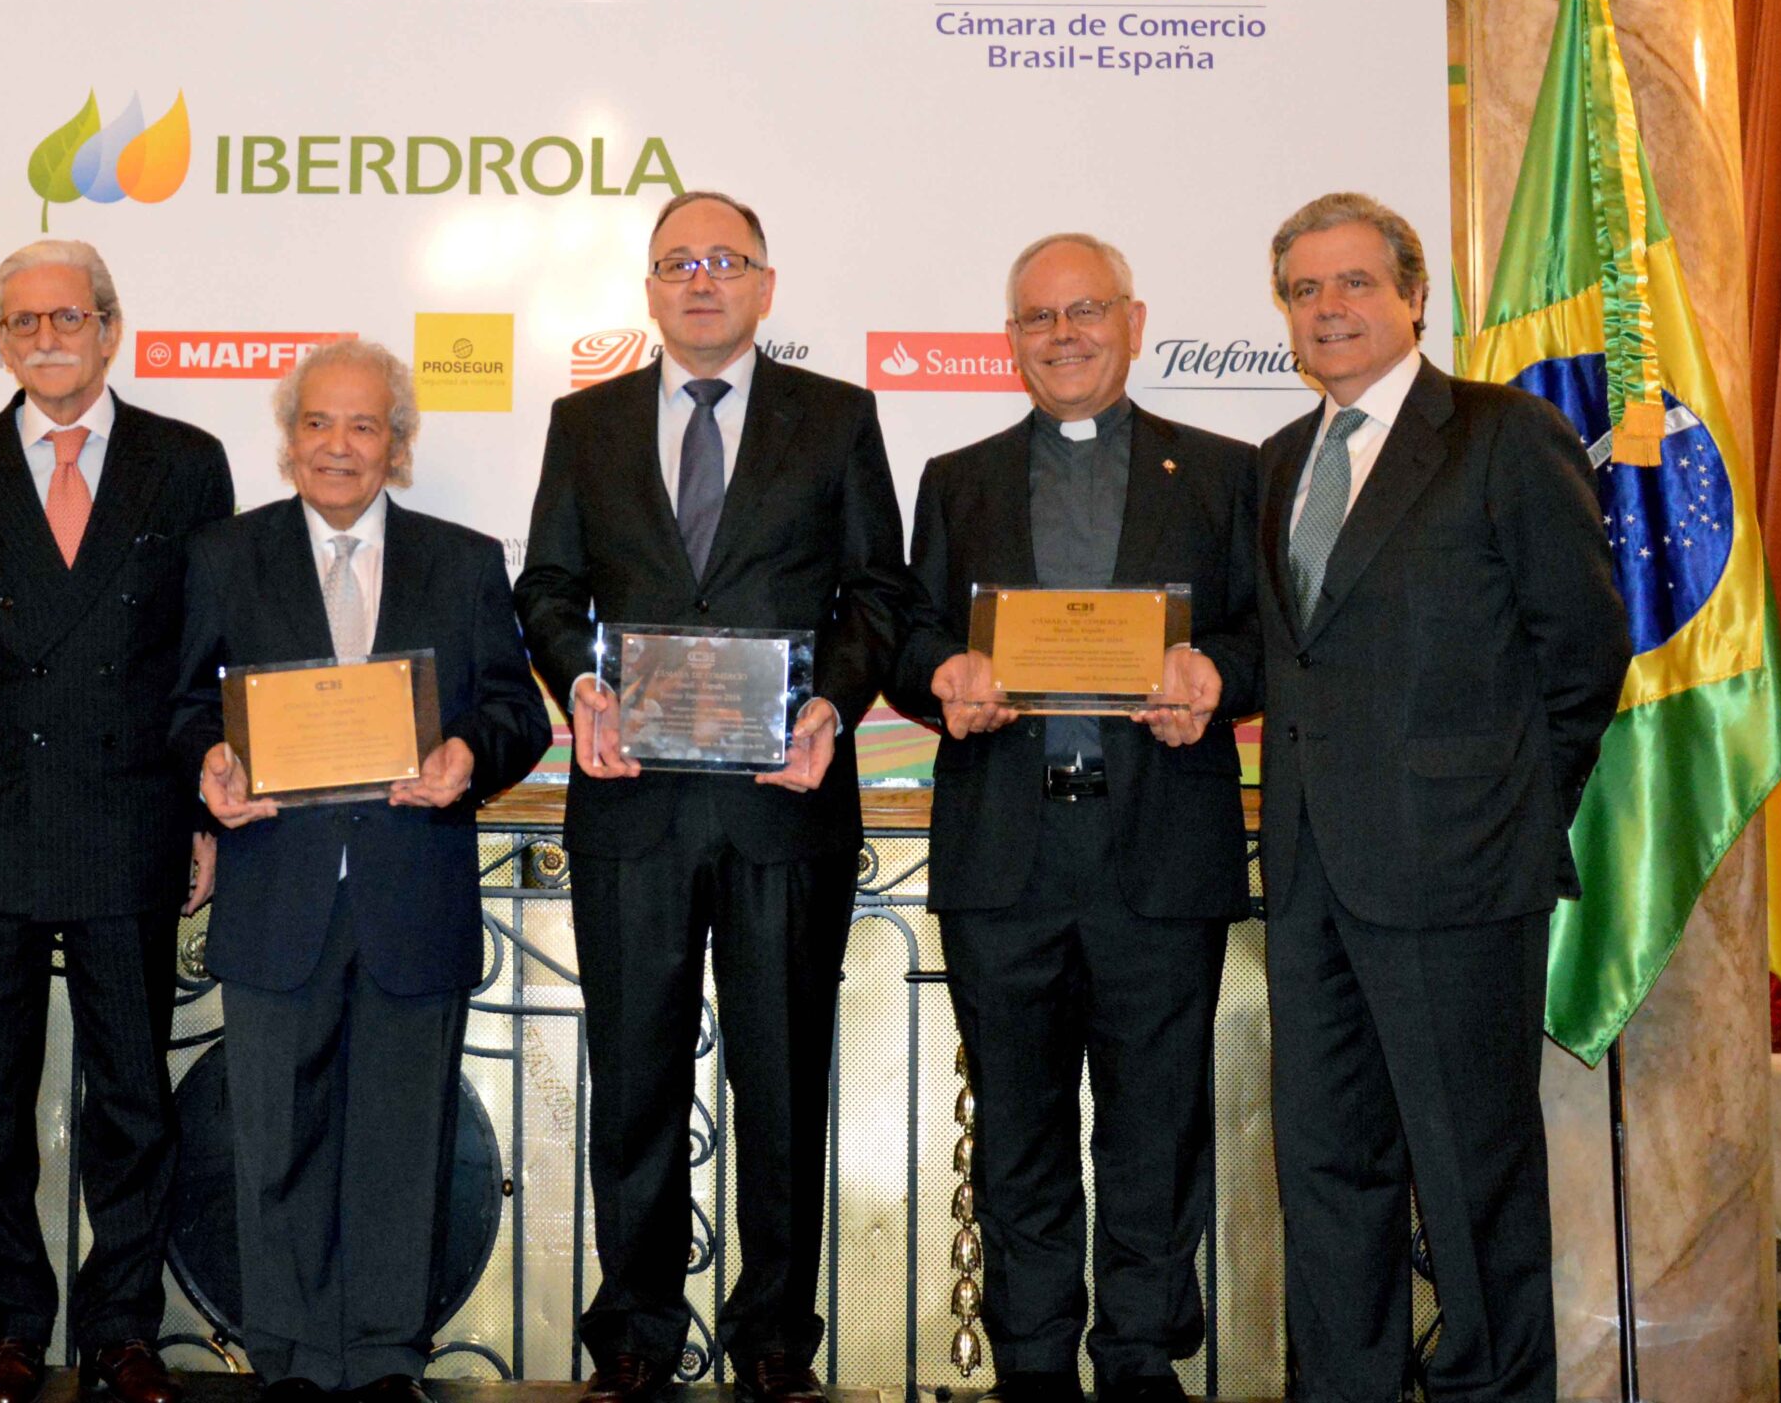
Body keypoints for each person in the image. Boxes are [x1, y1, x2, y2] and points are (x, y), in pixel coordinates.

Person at [514, 190, 913, 1403]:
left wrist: (828, 704)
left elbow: (876, 595)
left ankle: (776, 1343)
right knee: (634, 1077)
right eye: (676, 262)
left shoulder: (836, 420)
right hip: (630, 804)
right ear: (647, 290)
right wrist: (580, 684)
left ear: (764, 285)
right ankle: (634, 1333)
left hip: (782, 804)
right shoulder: (584, 426)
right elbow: (546, 585)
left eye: (724, 260)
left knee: (781, 1080)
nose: (701, 280)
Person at [1254, 193, 1629, 1402]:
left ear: (1417, 297)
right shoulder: (1276, 464)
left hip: (1460, 876)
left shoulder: (1501, 436)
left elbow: (1582, 650)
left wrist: (1500, 813)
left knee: (1471, 1174)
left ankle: (1492, 1391)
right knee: (1326, 1164)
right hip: (1310, 874)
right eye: (1307, 292)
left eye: (1356, 283)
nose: (1331, 309)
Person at [888, 232, 1257, 1403]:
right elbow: (908, 636)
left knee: (1156, 1129)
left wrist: (1215, 675)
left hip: (1158, 850)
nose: (1063, 336)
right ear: (1009, 342)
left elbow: (1269, 638)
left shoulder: (1224, 472)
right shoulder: (958, 478)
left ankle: (1140, 1357)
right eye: (1038, 319)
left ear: (1134, 321)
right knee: (1019, 1130)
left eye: (1085, 311)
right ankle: (1035, 1361)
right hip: (1007, 854)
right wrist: (943, 673)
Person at [174, 337, 551, 1403]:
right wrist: (207, 760)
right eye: (318, 424)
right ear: (289, 441)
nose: (339, 446)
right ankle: (285, 1353)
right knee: (274, 1143)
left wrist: (469, 754)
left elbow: (516, 710)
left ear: (399, 444)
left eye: (364, 425)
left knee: (399, 1142)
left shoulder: (466, 559)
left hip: (409, 896)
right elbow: (181, 707)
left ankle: (387, 1352)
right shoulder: (223, 557)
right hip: (274, 890)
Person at [0, 240, 235, 1403]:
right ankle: (4, 1323)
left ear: (110, 327)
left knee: (132, 1100)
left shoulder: (186, 463)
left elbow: (208, 655)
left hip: (133, 814)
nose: (43, 338)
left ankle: (121, 1330)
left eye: (65, 317)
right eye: (19, 321)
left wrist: (210, 815)